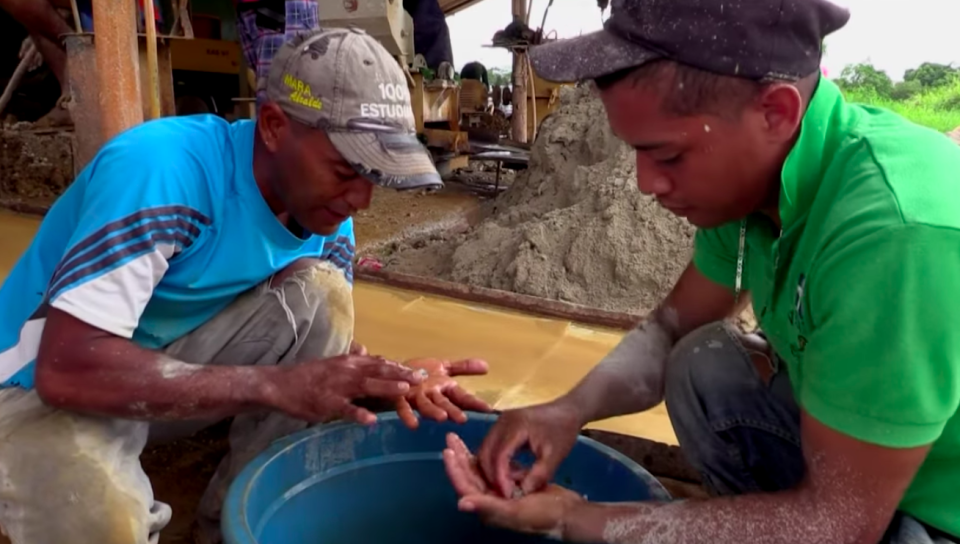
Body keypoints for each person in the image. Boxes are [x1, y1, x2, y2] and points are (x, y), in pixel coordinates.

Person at [441, 0, 960, 542]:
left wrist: (578, 519)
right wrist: (568, 411)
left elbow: (839, 524)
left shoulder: (894, 233)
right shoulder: (755, 187)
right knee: (702, 365)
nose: (647, 183)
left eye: (668, 156)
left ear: (776, 112)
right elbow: (670, 328)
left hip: (936, 507)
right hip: (870, 475)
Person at [0, 27, 491, 544]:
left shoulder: (323, 213)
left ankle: (230, 526)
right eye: (347, 169)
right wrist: (272, 386)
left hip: (155, 373)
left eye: (375, 174)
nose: (362, 201)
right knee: (102, 517)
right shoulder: (162, 173)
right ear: (276, 126)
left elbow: (323, 354)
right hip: (35, 392)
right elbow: (64, 368)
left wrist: (392, 381)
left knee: (322, 294)